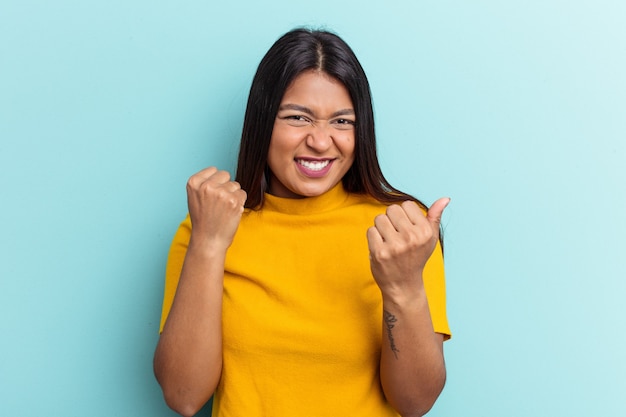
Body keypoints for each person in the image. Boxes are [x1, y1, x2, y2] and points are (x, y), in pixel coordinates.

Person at [153, 28, 451, 417]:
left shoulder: (401, 231)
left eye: (342, 122)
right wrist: (209, 244)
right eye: (298, 117)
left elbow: (415, 403)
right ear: (263, 122)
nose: (321, 141)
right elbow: (183, 395)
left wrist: (404, 286)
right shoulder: (207, 226)